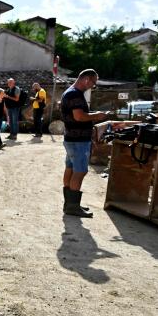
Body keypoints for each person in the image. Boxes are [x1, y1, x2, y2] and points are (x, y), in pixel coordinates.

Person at [61, 69, 110, 218]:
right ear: (86, 79)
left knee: (70, 168)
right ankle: (73, 206)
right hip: (78, 140)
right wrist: (98, 115)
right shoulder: (75, 94)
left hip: (71, 138)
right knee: (80, 171)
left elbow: (78, 114)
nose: (93, 86)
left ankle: (69, 203)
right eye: (93, 82)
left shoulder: (69, 92)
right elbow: (79, 117)